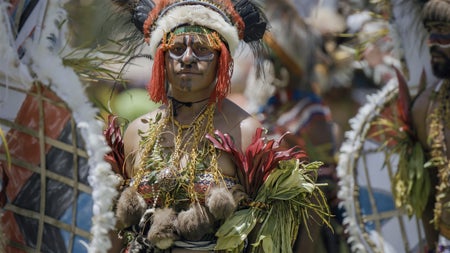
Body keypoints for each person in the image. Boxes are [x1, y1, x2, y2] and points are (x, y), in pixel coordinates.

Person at [104, 0, 330, 252]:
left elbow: (276, 231)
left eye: (202, 49)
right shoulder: (138, 131)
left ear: (221, 59)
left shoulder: (246, 131)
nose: (187, 58)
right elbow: (116, 228)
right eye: (176, 48)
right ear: (161, 58)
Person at [242, 1, 349, 253]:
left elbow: (318, 194)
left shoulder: (311, 113)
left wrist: (304, 246)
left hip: (303, 238)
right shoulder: (269, 107)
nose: (264, 65)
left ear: (286, 64)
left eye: (270, 59)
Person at [409, 0, 450, 251]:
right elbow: (428, 196)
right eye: (429, 31)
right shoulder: (425, 108)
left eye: (443, 31)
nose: (432, 41)